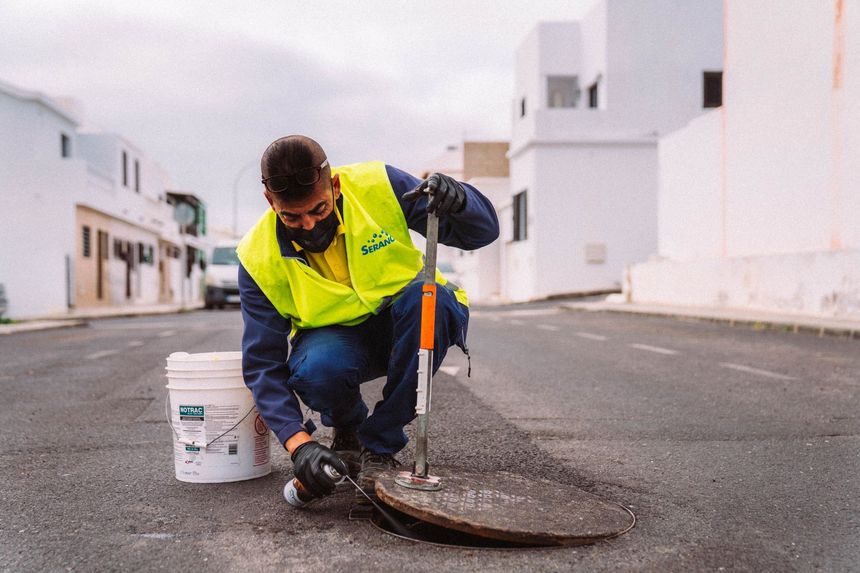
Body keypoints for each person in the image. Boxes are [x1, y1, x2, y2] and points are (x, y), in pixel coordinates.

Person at [238, 135, 499, 503]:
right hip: (337, 346)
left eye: (319, 209)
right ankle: (348, 429)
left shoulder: (380, 185)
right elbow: (262, 364)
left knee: (431, 301)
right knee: (317, 367)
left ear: (335, 185)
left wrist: (462, 199)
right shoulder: (256, 258)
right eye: (292, 217)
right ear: (270, 202)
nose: (310, 226)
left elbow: (482, 232)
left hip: (407, 323)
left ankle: (379, 445)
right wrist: (300, 445)